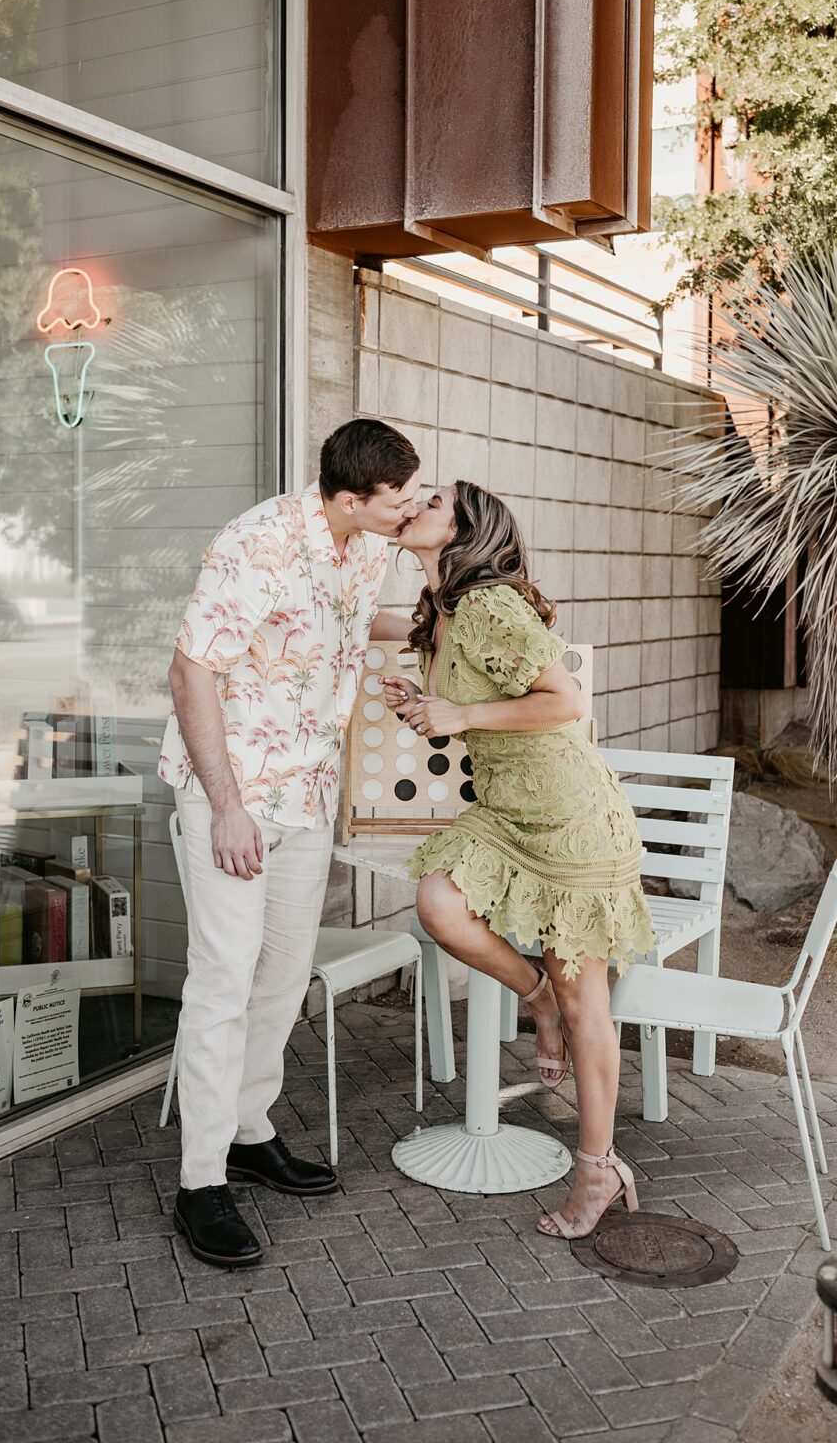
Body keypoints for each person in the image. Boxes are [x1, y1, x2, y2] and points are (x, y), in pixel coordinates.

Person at [159, 419, 420, 1267]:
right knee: (224, 982)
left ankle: (246, 1131)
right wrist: (227, 805)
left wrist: (421, 628)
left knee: (280, 976)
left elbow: (345, 619)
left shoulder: (365, 544)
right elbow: (191, 666)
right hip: (232, 798)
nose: (409, 509)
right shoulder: (258, 544)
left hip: (306, 795)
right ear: (351, 499)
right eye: (398, 500)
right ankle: (200, 1183)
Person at [381, 481, 654, 1239]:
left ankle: (597, 1169)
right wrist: (420, 698)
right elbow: (458, 697)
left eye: (431, 499)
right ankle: (533, 996)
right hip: (507, 811)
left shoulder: (491, 604)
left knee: (585, 999)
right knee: (439, 903)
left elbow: (564, 701)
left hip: (569, 818)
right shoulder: (441, 613)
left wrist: (459, 713)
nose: (414, 504)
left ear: (464, 530)